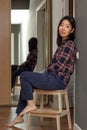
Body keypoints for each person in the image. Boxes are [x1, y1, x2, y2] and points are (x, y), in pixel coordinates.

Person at [7, 16, 77, 127]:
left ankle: (30, 105)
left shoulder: (69, 45)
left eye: (67, 26)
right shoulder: (62, 45)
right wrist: (44, 72)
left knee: (24, 76)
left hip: (58, 80)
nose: (63, 28)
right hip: (53, 77)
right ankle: (19, 117)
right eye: (62, 25)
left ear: (72, 30)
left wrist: (44, 72)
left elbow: (59, 66)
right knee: (26, 81)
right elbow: (53, 65)